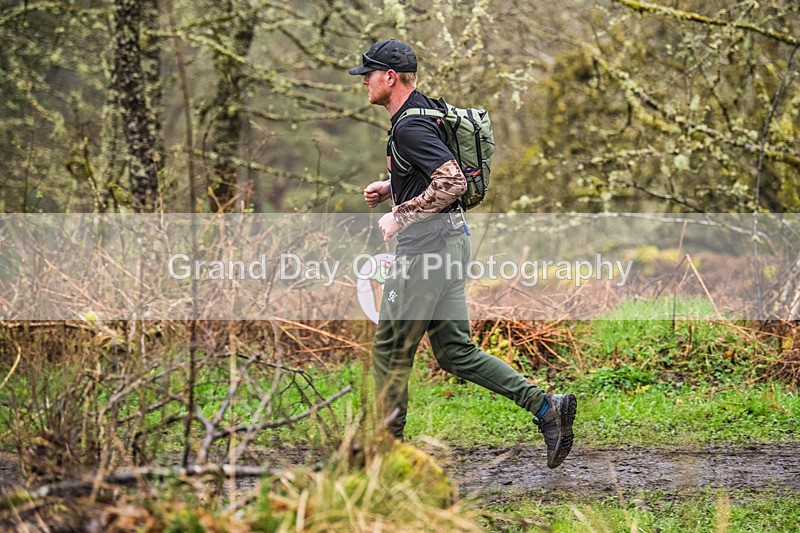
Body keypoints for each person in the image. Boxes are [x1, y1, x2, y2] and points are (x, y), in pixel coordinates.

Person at [349, 39, 577, 468]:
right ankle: (548, 408)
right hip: (452, 244)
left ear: (390, 77)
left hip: (426, 251)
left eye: (369, 74)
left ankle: (386, 454)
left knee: (390, 349)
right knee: (455, 351)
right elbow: (434, 171)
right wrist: (392, 185)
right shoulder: (423, 111)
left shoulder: (408, 125)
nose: (364, 82)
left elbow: (452, 182)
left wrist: (400, 214)